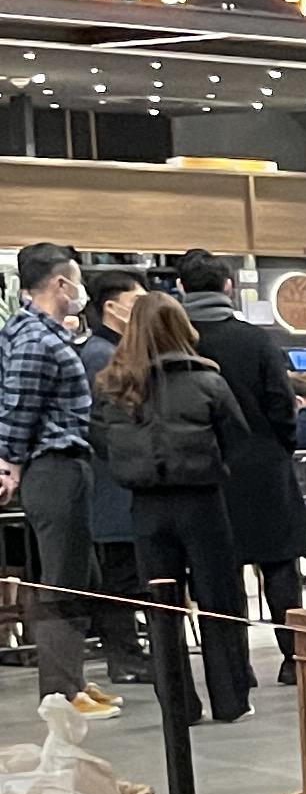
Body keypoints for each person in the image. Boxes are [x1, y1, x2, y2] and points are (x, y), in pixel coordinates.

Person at [93, 294, 255, 723]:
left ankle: (178, 705)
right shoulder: (207, 381)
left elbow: (101, 442)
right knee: (219, 600)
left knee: (162, 608)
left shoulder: (112, 386)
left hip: (145, 505)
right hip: (202, 501)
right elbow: (238, 439)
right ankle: (231, 699)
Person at [176, 251, 306, 685]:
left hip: (204, 469)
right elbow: (281, 401)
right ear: (228, 287)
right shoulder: (255, 340)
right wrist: (280, 444)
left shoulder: (178, 342)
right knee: (279, 565)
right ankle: (293, 659)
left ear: (180, 288)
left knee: (219, 572)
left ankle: (235, 668)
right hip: (263, 465)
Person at [0, 244, 117, 715]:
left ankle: (74, 680)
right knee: (62, 581)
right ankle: (60, 692)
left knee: (80, 575)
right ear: (60, 283)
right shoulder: (35, 340)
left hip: (68, 464)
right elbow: (18, 408)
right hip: (53, 466)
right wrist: (9, 464)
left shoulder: (46, 334)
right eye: (76, 280)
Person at [77, 264, 150, 680]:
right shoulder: (102, 356)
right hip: (112, 484)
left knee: (128, 573)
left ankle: (129, 654)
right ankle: (125, 658)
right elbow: (104, 425)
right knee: (120, 575)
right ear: (111, 307)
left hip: (119, 482)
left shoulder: (113, 352)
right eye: (135, 302)